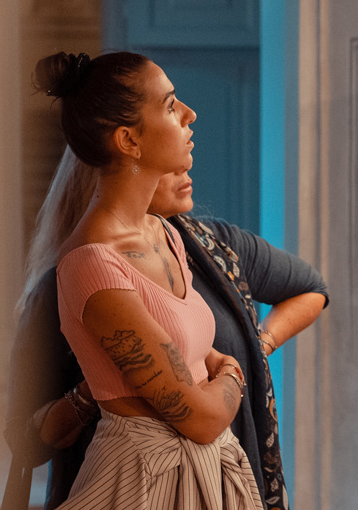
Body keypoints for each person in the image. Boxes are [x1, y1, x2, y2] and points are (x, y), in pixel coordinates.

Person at [18, 50, 309, 509]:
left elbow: (195, 355)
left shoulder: (166, 234)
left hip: (210, 477)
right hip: (142, 485)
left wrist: (225, 365)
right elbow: (202, 420)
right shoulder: (92, 261)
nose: (190, 114)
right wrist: (235, 367)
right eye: (171, 105)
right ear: (129, 141)